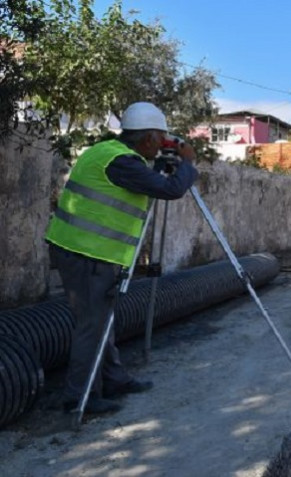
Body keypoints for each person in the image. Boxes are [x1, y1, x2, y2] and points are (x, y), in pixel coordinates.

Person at [45, 102, 199, 415]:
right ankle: (81, 398)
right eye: (160, 139)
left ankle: (114, 379)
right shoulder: (123, 164)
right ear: (148, 139)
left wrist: (169, 152)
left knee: (103, 319)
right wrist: (188, 164)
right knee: (92, 325)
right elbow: (170, 190)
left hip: (84, 250)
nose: (162, 146)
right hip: (86, 253)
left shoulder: (107, 151)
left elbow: (147, 182)